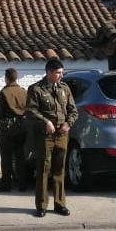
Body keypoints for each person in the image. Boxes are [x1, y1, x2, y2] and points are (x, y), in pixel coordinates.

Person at [24, 58, 78, 217]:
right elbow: (30, 111)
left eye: (62, 73)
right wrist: (45, 121)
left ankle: (60, 204)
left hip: (62, 134)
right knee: (43, 170)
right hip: (45, 136)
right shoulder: (36, 89)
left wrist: (68, 124)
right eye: (58, 73)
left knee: (59, 170)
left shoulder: (64, 88)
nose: (61, 76)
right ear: (48, 72)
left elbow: (73, 110)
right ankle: (41, 205)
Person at [0, 68, 28, 192]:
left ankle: (6, 184)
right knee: (20, 157)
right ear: (16, 77)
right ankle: (22, 184)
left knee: (6, 158)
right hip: (22, 128)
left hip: (8, 130)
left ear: (6, 78)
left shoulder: (4, 93)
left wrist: (2, 123)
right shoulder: (24, 92)